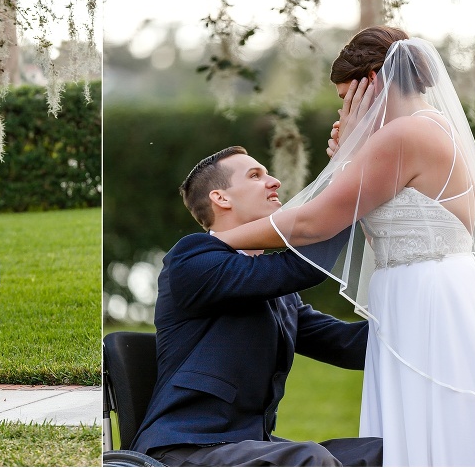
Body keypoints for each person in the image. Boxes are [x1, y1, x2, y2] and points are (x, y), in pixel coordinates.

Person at [212, 27, 475, 466]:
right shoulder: (430, 128)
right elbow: (379, 232)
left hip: (425, 297)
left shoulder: (404, 136)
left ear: (374, 81)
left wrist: (215, 241)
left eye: (348, 95)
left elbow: (312, 222)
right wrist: (351, 161)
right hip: (425, 288)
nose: (345, 108)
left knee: (433, 425)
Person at [130, 146, 383, 467]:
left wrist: (427, 311)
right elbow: (301, 267)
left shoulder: (278, 294)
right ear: (221, 198)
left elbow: (349, 346)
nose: (275, 181)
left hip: (248, 447)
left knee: (382, 453)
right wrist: (357, 181)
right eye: (255, 175)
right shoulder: (190, 259)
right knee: (310, 459)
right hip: (185, 448)